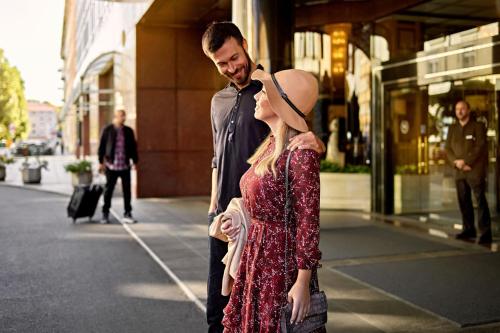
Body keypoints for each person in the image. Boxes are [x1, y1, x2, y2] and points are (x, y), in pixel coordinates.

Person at [202, 22, 325, 333]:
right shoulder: (218, 101)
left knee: (263, 315)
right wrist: (215, 205)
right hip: (228, 218)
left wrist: (318, 145)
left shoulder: (272, 91)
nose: (231, 67)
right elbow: (218, 157)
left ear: (244, 43)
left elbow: (299, 138)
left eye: (233, 57)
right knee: (219, 308)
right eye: (222, 64)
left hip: (264, 227)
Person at [445, 100, 492, 244]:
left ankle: (485, 233)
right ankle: (468, 229)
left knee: (480, 201)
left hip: (474, 170)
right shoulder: (452, 128)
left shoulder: (478, 126)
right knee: (463, 201)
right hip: (459, 171)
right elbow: (447, 149)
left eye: (462, 109)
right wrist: (456, 162)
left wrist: (466, 162)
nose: (459, 111)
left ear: (468, 110)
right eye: (457, 109)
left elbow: (480, 146)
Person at [98, 109, 138, 224]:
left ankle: (127, 213)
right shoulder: (108, 130)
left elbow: (133, 147)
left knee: (127, 191)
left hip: (125, 165)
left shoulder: (128, 131)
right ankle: (105, 213)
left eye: (124, 116)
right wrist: (101, 162)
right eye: (121, 116)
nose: (123, 118)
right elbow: (102, 146)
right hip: (111, 166)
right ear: (115, 117)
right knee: (108, 190)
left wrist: (135, 161)